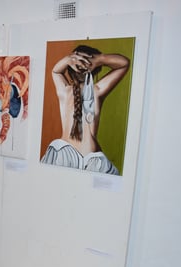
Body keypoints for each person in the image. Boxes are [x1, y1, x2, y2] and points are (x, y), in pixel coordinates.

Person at [41, 45, 130, 174]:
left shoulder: (64, 91)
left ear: (70, 68)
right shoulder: (97, 91)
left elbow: (56, 71)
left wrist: (69, 59)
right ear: (96, 70)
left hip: (62, 155)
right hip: (91, 157)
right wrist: (99, 59)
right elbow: (124, 64)